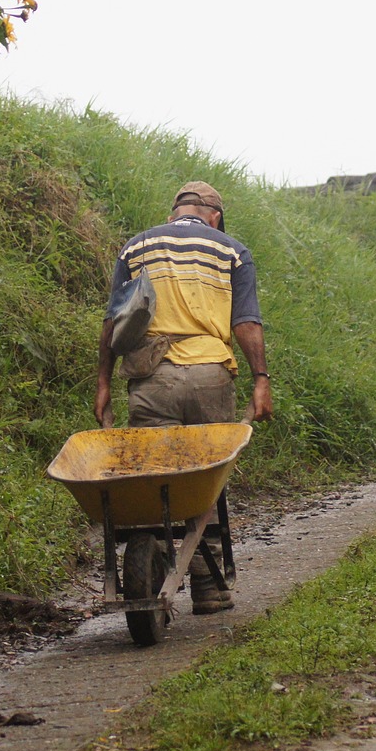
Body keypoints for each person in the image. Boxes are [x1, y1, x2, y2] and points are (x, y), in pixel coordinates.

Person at [94, 180, 272, 614]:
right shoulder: (232, 250)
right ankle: (208, 589)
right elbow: (245, 322)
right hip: (211, 377)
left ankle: (151, 564)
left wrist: (103, 384)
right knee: (203, 481)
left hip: (152, 378)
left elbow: (112, 322)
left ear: (174, 212)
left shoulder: (136, 248)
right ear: (214, 215)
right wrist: (261, 378)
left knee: (157, 481)